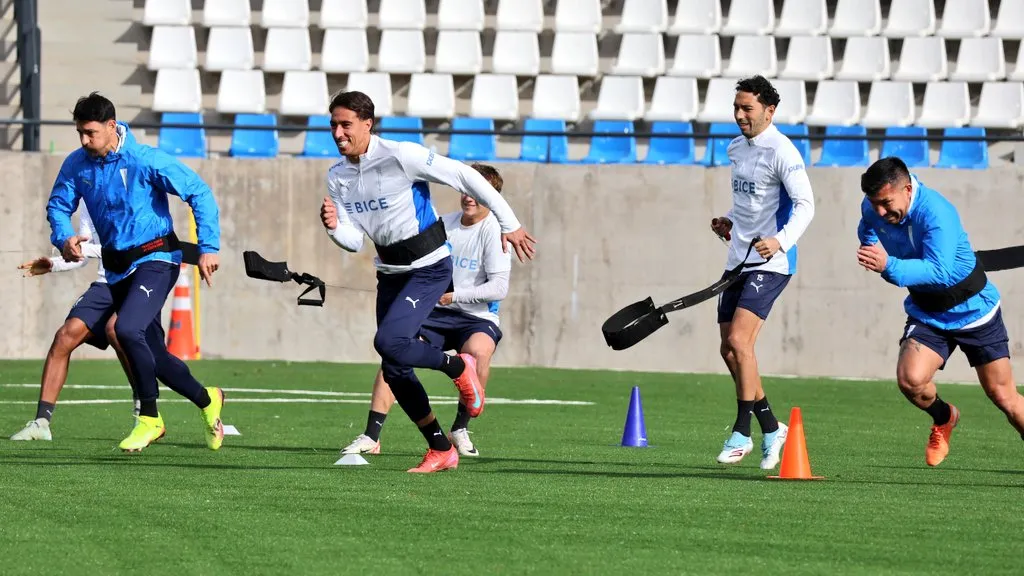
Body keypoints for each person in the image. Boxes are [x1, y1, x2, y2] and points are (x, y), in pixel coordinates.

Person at [320, 90, 535, 473]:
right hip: (390, 273)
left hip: (429, 267)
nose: (338, 132)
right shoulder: (338, 177)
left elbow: (466, 176)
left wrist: (509, 221)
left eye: (345, 124)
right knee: (394, 364)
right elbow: (355, 241)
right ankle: (440, 448)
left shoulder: (402, 155)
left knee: (388, 341)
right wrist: (336, 229)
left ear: (368, 124)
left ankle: (456, 367)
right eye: (333, 124)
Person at [46, 92, 225, 453]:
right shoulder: (76, 164)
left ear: (112, 127)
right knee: (154, 356)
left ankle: (150, 418)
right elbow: (58, 205)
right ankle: (208, 400)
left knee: (124, 328)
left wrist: (208, 246)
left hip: (157, 258)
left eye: (90, 133)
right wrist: (64, 237)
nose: (83, 140)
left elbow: (198, 192)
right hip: (117, 267)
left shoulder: (144, 159)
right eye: (79, 132)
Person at [856, 156, 1024, 467]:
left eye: (886, 202)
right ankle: (945, 417)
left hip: (975, 312)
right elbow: (867, 225)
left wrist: (888, 265)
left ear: (907, 189)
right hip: (929, 314)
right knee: (911, 381)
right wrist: (869, 248)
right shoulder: (873, 209)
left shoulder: (937, 212)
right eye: (874, 203)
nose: (880, 211)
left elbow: (941, 272)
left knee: (1004, 398)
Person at [341, 163, 512, 458]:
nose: (469, 198)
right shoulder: (442, 225)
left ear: (491, 196)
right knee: (393, 351)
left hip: (475, 317)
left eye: (477, 194)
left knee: (479, 350)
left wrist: (454, 296)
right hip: (434, 311)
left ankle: (459, 428)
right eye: (467, 191)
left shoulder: (495, 232)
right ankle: (372, 435)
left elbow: (499, 288)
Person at [708, 75, 816, 469]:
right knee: (730, 350)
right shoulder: (737, 148)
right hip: (738, 258)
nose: (739, 115)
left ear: (769, 112)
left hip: (772, 263)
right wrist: (729, 220)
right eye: (736, 107)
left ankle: (742, 432)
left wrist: (781, 241)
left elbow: (806, 205)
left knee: (740, 340)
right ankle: (772, 426)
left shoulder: (783, 152)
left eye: (747, 108)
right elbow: (749, 203)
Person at [10, 206, 139, 441]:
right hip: (105, 284)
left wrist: (80, 248)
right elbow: (80, 257)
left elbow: (126, 247)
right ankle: (41, 423)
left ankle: (145, 410)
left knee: (116, 331)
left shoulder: (132, 191)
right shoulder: (90, 203)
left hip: (138, 280)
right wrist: (54, 264)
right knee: (64, 337)